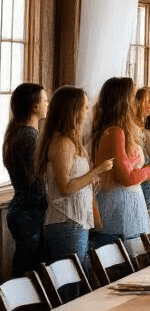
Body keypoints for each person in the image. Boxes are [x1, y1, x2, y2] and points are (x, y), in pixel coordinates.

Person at [92, 77, 150, 246]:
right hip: (120, 207)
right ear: (123, 101)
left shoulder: (121, 130)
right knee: (125, 262)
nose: (137, 102)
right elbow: (127, 178)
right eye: (133, 97)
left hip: (129, 201)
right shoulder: (115, 132)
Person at [35, 86, 114, 265]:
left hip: (76, 221)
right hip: (65, 221)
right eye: (84, 107)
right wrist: (96, 171)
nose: (87, 111)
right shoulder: (62, 142)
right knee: (72, 283)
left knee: (80, 277)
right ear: (73, 110)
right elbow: (65, 188)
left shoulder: (72, 140)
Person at [2, 82, 49, 276]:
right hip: (29, 213)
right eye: (45, 100)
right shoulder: (29, 137)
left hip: (22, 210)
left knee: (26, 267)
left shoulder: (18, 132)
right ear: (34, 106)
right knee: (28, 272)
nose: (48, 104)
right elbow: (37, 181)